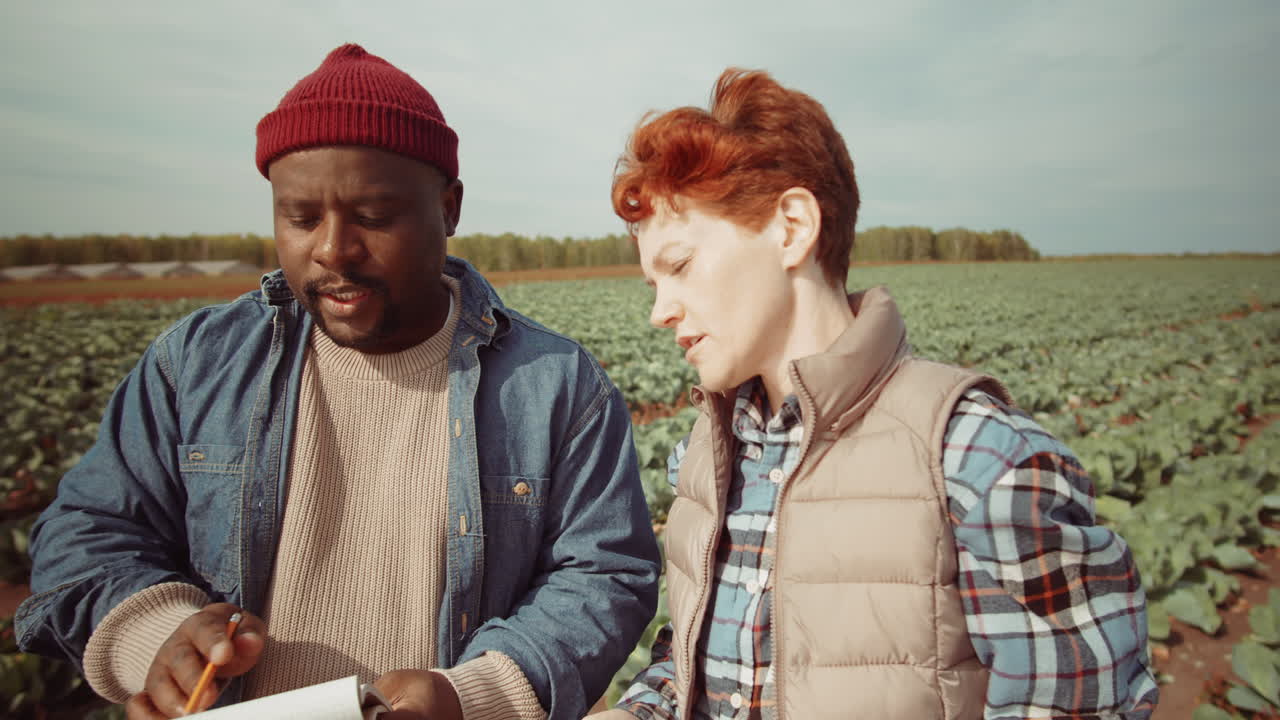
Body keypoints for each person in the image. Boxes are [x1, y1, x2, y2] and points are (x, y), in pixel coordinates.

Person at [13, 44, 659, 720]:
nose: (332, 248)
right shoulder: (195, 365)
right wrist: (156, 639)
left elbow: (603, 575)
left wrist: (471, 696)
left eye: (374, 218)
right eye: (300, 218)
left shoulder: (555, 384)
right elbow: (89, 532)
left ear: (448, 208)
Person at [595, 69, 1159, 719]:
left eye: (680, 266)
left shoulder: (979, 461)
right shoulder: (709, 453)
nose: (660, 312)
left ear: (791, 227)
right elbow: (693, 670)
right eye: (652, 286)